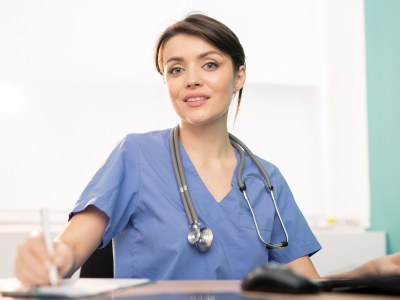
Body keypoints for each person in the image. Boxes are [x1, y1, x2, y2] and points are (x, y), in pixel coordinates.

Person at [15, 13, 400, 287]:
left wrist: (370, 270)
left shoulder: (266, 180)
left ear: (239, 76)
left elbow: (304, 287)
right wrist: (51, 259)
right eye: (176, 69)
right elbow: (72, 246)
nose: (192, 80)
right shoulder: (134, 155)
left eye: (210, 64)